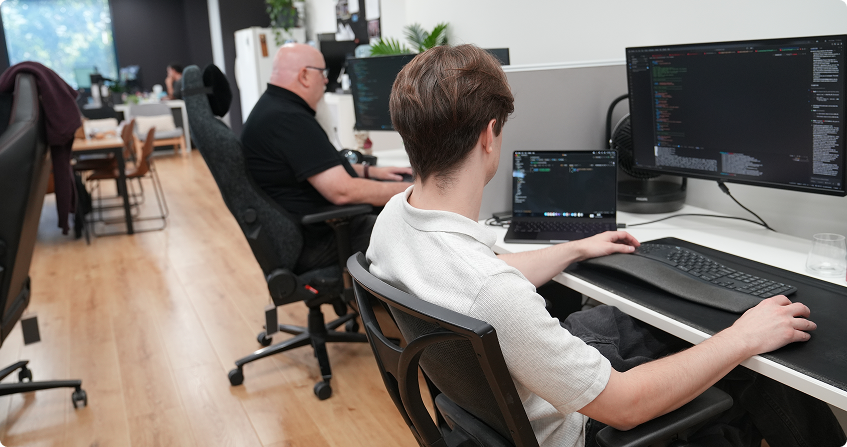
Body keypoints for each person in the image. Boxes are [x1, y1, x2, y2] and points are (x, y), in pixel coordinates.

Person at [366, 44, 847, 447]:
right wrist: (744, 337)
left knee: (660, 323)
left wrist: (575, 249)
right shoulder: (489, 290)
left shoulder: (396, 219)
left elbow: (486, 278)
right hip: (580, 425)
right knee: (758, 359)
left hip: (514, 390)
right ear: (489, 135)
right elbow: (624, 406)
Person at [241, 43, 412, 273]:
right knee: (409, 227)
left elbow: (323, 165)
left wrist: (372, 171)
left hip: (304, 229)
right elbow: (343, 191)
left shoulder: (274, 108)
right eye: (322, 73)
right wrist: (413, 190)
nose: (325, 81)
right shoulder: (289, 120)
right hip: (319, 241)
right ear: (304, 76)